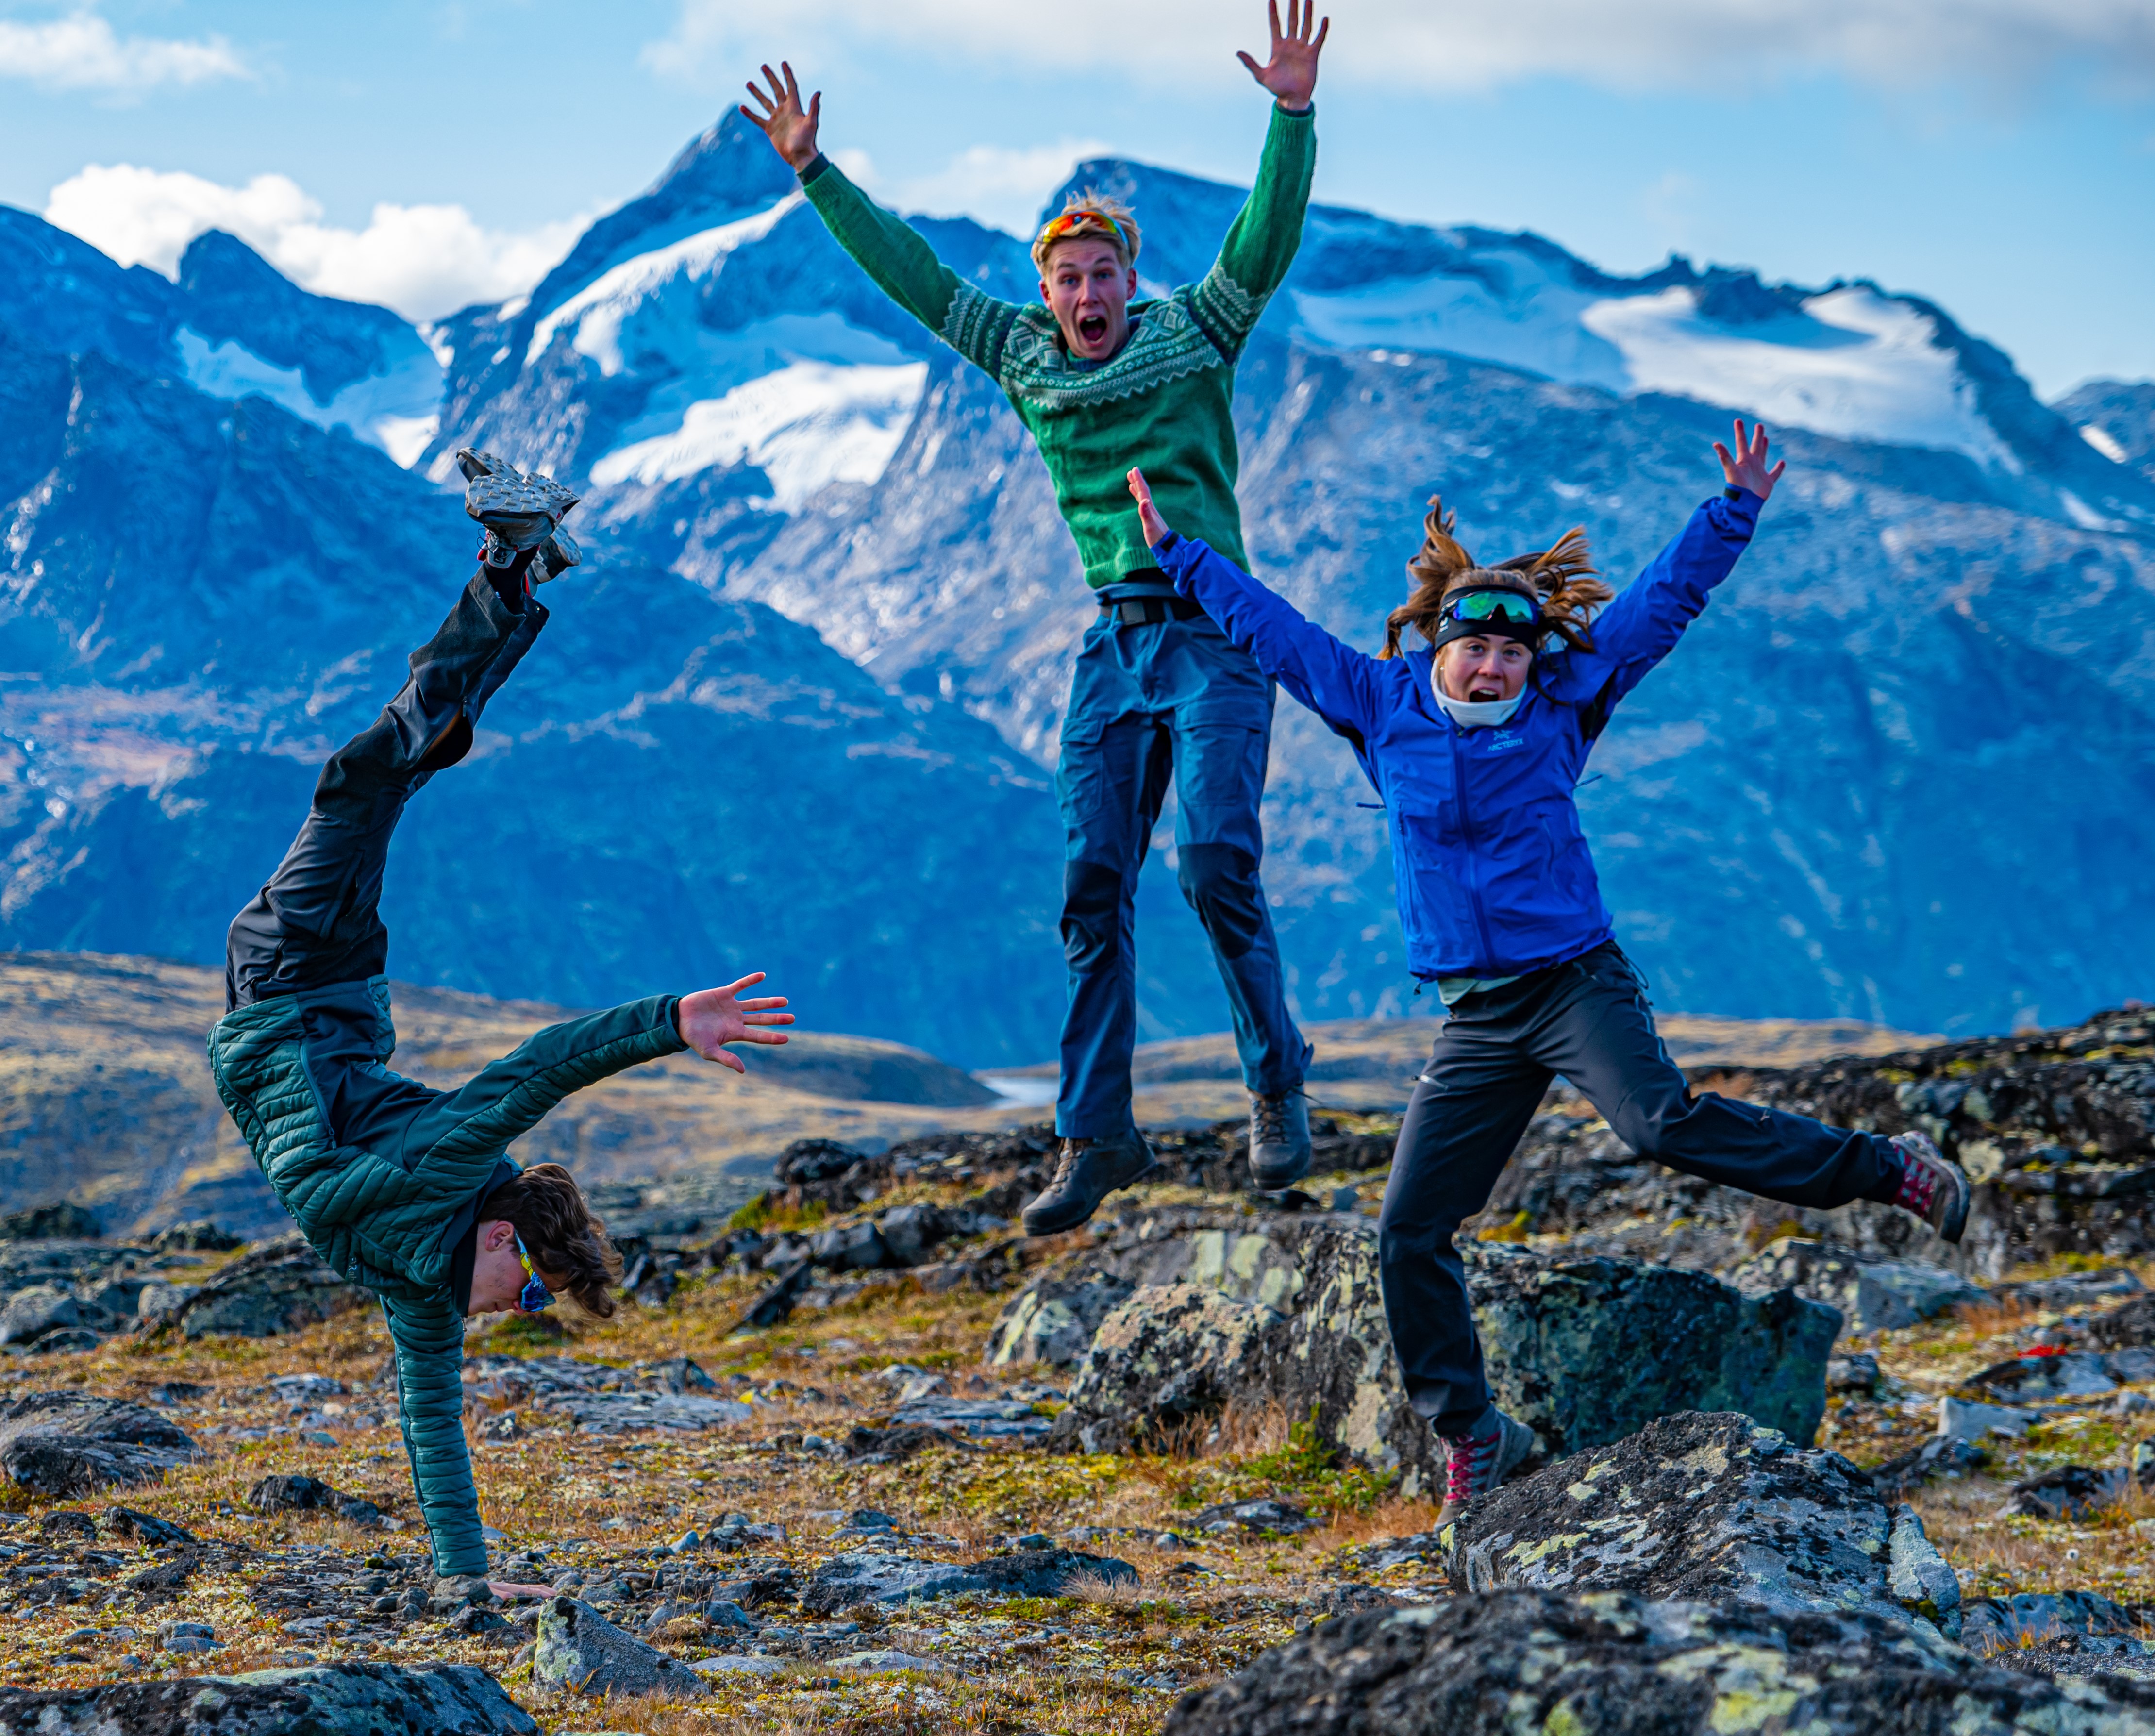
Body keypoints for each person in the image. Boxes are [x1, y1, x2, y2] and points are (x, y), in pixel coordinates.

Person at [1124, 422, 1971, 1521]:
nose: (1493, 666)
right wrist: (1180, 555)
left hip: (1575, 984)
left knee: (1657, 1124)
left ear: (1535, 661)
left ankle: (1887, 1169)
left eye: (1513, 654)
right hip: (1476, 1021)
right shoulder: (1379, 705)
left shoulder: (1568, 702)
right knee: (1408, 1232)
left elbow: (1661, 607)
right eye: (1475, 647)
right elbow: (1274, 631)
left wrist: (1733, 512)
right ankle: (1474, 1430)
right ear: (1438, 643)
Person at [741, 2, 1331, 1234]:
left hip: (1219, 626)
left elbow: (1264, 244)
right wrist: (813, 173)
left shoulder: (1192, 332)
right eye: (1066, 277)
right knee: (1089, 884)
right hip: (1112, 638)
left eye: (1103, 271)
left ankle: (1278, 1086)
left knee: (1216, 859)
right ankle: (1093, 1136)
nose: (1086, 292)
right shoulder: (1024, 356)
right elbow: (915, 276)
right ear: (1048, 292)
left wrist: (1291, 114)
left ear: (1129, 276)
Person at [206, 453, 794, 1596]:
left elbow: (434, 1436)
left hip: (298, 1003)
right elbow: (537, 1071)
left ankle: (516, 575)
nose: (516, 1309)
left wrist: (468, 1584)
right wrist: (673, 1020)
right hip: (297, 986)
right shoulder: (458, 1176)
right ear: (495, 1238)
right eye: (528, 1286)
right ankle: (512, 572)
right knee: (367, 781)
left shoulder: (424, 1295)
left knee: (379, 780)